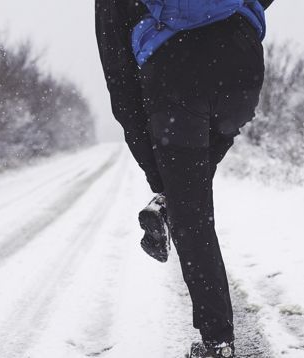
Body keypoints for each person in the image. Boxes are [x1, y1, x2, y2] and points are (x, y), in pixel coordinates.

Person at [95, 1, 273, 356]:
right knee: (201, 163)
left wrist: (157, 176)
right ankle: (170, 200)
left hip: (174, 74)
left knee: (191, 216)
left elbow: (121, 84)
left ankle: (216, 342)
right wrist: (243, 18)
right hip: (241, 65)